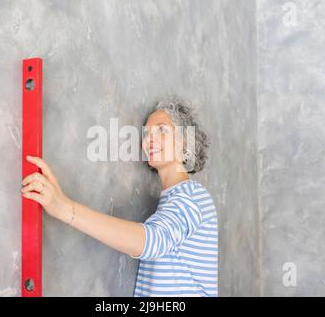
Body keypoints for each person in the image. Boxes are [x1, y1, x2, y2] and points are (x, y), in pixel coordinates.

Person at [21, 97, 218, 296]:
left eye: (162, 130)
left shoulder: (193, 197)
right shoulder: (172, 202)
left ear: (185, 142)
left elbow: (153, 241)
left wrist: (66, 209)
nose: (150, 139)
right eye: (147, 133)